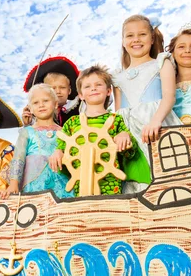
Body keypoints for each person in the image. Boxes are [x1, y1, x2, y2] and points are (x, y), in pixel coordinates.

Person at [49, 65, 152, 195]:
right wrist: (58, 152)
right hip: (80, 181)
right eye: (87, 86)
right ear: (80, 95)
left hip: (110, 181)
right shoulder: (72, 123)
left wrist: (125, 137)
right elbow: (62, 146)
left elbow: (130, 153)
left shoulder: (116, 120)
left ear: (109, 91)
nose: (93, 88)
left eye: (98, 84)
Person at [112, 15, 180, 158]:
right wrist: (121, 133)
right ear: (123, 42)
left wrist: (156, 121)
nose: (136, 39)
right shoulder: (117, 77)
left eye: (142, 34)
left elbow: (169, 97)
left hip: (156, 126)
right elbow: (118, 113)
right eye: (130, 36)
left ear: (152, 38)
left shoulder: (161, 63)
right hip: (130, 134)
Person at [1, 84, 74, 200]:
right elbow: (18, 158)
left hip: (61, 182)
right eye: (35, 103)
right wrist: (14, 183)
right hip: (34, 184)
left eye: (45, 100)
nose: (41, 105)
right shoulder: (26, 132)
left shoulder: (64, 131)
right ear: (30, 109)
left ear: (55, 104)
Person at [22, 56, 81, 126]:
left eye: (62, 87)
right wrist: (27, 123)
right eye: (53, 88)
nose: (58, 91)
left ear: (69, 90)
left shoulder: (79, 107)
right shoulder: (37, 113)